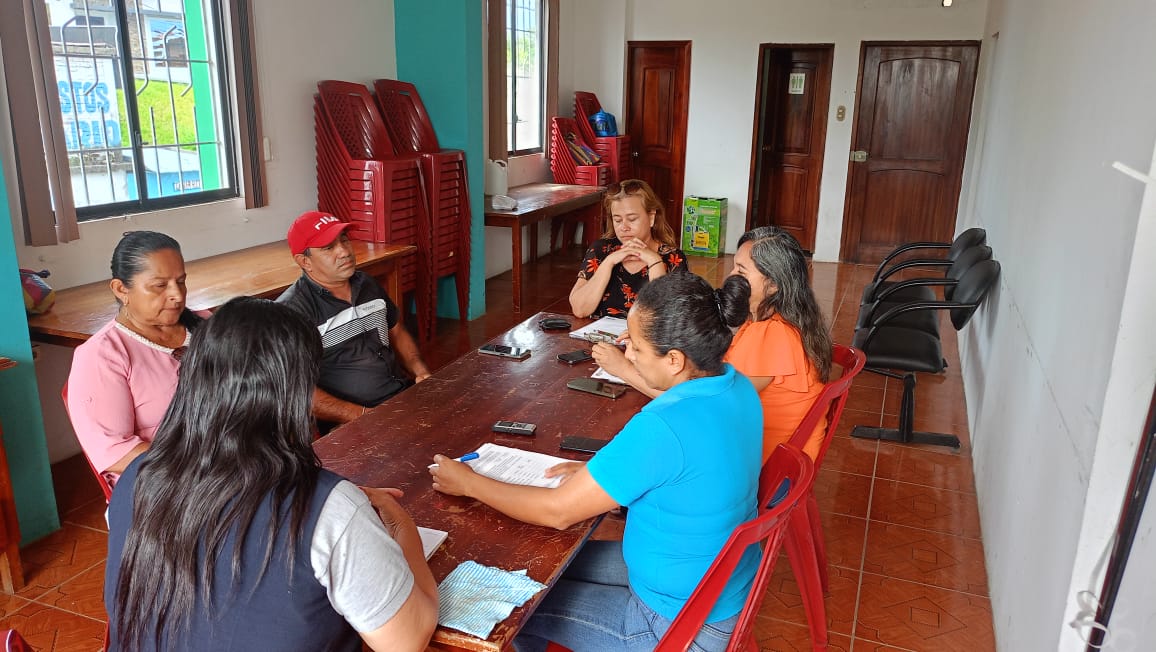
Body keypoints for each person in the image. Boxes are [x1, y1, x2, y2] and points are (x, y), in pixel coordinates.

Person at [431, 272, 762, 651]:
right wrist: (605, 477)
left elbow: (557, 511)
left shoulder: (663, 426)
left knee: (516, 608)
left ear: (674, 360)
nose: (627, 353)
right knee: (544, 565)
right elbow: (691, 476)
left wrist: (468, 483)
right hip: (714, 581)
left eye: (636, 347)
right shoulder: (737, 386)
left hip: (676, 626)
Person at [105, 297, 438, 651]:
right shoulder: (326, 510)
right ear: (297, 393)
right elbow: (407, 640)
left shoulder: (137, 477)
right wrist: (401, 526)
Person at [594, 226, 832, 461]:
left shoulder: (772, 334)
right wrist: (653, 342)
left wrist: (623, 369)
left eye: (741, 270)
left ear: (773, 284)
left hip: (768, 466)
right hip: (772, 453)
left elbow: (704, 407)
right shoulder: (774, 321)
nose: (730, 277)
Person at [66, 231, 207, 488]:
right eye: (160, 285)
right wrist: (206, 466)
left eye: (181, 282)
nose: (177, 295)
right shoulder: (102, 356)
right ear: (121, 289)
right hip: (166, 482)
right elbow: (115, 452)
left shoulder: (206, 325)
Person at [277, 211, 432, 424]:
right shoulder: (292, 312)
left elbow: (396, 331)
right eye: (328, 248)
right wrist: (364, 416)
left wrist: (420, 372)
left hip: (399, 398)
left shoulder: (366, 284)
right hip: (350, 422)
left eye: (344, 240)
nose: (344, 252)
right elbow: (297, 390)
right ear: (305, 261)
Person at [569, 179, 688, 318]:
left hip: (644, 333)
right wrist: (608, 263)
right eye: (617, 220)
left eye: (632, 219)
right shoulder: (601, 250)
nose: (624, 227)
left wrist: (654, 261)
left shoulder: (673, 258)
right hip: (601, 332)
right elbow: (580, 310)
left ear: (651, 217)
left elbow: (666, 317)